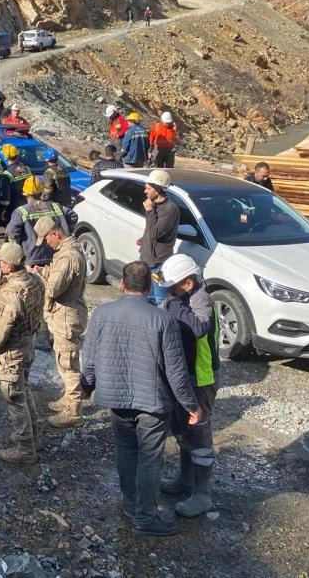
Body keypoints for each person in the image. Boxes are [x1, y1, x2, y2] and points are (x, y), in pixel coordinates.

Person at [79, 261, 201, 537]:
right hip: (153, 403)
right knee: (149, 458)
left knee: (126, 451)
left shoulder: (103, 313)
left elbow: (90, 355)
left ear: (122, 284)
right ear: (149, 287)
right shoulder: (163, 320)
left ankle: (132, 506)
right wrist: (191, 405)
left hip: (116, 398)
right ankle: (145, 519)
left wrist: (86, 385)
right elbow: (176, 371)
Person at [157, 254, 219, 517]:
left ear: (189, 283)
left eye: (173, 287)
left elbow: (198, 327)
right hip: (183, 376)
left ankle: (202, 495)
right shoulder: (179, 298)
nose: (169, 292)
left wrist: (173, 305)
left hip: (201, 379)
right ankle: (185, 479)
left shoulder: (200, 299)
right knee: (181, 429)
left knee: (198, 434)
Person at [0, 242, 46, 464]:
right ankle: (34, 437)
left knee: (14, 397)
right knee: (23, 390)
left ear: (8, 266)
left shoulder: (9, 293)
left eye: (0, 262)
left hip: (11, 352)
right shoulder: (34, 281)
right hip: (27, 344)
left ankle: (25, 450)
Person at [35, 217, 88, 429]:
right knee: (63, 359)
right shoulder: (65, 253)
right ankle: (68, 399)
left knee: (68, 364)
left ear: (56, 234)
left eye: (46, 239)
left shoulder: (67, 257)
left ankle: (73, 411)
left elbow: (52, 290)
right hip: (64, 314)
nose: (46, 244)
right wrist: (45, 271)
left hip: (66, 316)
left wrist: (39, 278)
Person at [6, 176, 77, 268]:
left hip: (32, 257)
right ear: (41, 192)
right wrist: (66, 232)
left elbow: (12, 234)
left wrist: (16, 253)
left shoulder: (21, 211)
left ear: (25, 194)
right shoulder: (55, 206)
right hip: (56, 254)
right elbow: (73, 216)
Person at [139, 169, 180, 305]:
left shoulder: (170, 209)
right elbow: (150, 231)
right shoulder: (153, 204)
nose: (145, 192)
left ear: (157, 189)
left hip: (158, 262)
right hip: (146, 258)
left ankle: (161, 324)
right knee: (145, 296)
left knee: (160, 298)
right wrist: (144, 240)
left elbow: (156, 232)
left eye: (148, 189)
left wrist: (150, 212)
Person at [1, 144, 31, 220]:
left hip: (14, 207)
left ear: (5, 157)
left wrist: (3, 209)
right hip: (27, 203)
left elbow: (6, 196)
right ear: (17, 155)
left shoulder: (7, 173)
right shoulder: (27, 169)